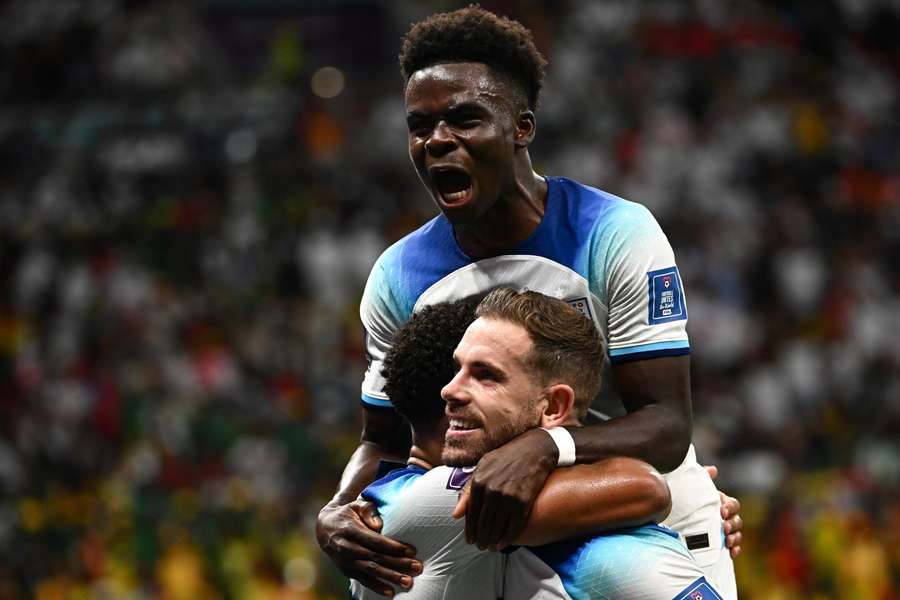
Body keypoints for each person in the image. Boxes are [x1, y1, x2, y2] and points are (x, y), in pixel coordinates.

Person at [317, 6, 739, 599]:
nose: (438, 140)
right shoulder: (398, 275)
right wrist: (336, 509)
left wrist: (548, 446)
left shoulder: (614, 232)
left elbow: (667, 423)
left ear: (521, 127)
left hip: (631, 510)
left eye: (464, 118)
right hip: (484, 517)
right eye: (421, 125)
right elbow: (383, 439)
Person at [351, 289, 724, 599]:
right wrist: (690, 497)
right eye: (457, 369)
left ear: (554, 406)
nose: (450, 389)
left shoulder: (619, 559)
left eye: (485, 376)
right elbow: (644, 487)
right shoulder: (412, 505)